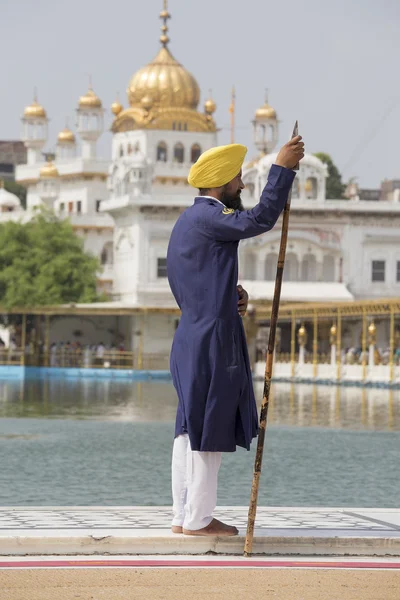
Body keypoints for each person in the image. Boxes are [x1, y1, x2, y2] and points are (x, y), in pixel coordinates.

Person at [166, 134, 304, 536]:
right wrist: (282, 169)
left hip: (194, 333)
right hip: (212, 340)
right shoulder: (209, 216)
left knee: (190, 429)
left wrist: (230, 296)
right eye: (238, 179)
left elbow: (194, 280)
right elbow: (260, 218)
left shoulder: (188, 220)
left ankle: (183, 515)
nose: (242, 186)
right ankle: (199, 519)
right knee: (208, 427)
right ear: (221, 182)